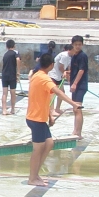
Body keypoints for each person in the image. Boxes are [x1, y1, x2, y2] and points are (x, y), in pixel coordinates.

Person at [26, 53, 79, 187]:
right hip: (36, 119)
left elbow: (46, 99)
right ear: (51, 65)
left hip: (40, 118)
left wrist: (50, 116)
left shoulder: (37, 75)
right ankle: (32, 178)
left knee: (49, 143)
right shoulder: (44, 78)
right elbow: (59, 92)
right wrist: (74, 104)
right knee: (37, 149)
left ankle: (35, 174)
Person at [68, 35, 89, 139]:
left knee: (78, 108)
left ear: (82, 45)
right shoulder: (74, 55)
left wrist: (75, 83)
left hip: (80, 86)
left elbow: (81, 70)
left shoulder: (82, 56)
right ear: (72, 45)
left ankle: (78, 133)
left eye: (79, 44)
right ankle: (75, 130)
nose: (77, 46)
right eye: (76, 44)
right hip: (75, 86)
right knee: (75, 109)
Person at [50, 44, 72, 118]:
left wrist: (69, 79)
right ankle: (51, 110)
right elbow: (61, 67)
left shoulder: (70, 57)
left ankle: (57, 108)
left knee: (62, 92)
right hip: (53, 75)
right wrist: (64, 73)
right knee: (53, 93)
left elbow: (68, 68)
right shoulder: (64, 55)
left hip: (59, 76)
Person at [0, 39, 21, 115]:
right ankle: (12, 109)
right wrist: (18, 72)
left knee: (4, 93)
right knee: (13, 92)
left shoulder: (5, 54)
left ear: (6, 46)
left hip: (4, 75)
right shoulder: (16, 53)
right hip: (12, 75)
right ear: (14, 46)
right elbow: (18, 60)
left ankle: (4, 110)